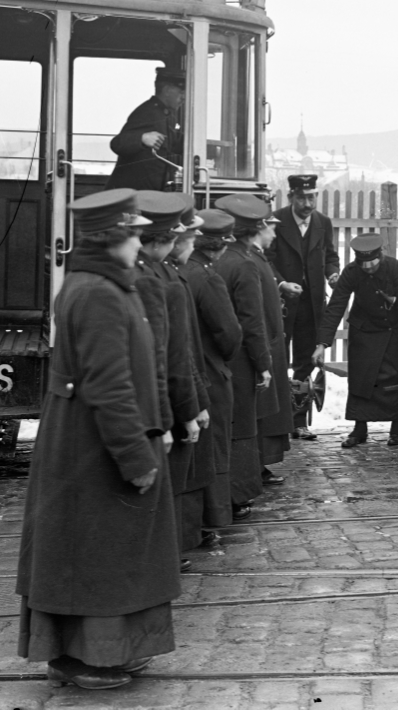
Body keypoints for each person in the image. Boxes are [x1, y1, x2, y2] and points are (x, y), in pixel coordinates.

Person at [16, 188, 179, 691]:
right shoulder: (99, 292)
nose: (139, 242)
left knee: (97, 552)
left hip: (87, 443)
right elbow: (110, 387)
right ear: (113, 239)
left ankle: (98, 652)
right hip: (93, 448)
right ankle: (84, 657)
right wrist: (135, 456)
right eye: (133, 233)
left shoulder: (104, 285)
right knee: (96, 554)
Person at [134, 191, 205, 566]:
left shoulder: (154, 274)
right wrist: (186, 411)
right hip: (156, 405)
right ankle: (161, 555)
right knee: (165, 485)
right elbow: (171, 355)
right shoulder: (159, 280)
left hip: (151, 403)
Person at [314, 233, 398, 447]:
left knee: (395, 380)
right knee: (361, 381)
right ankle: (359, 429)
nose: (369, 267)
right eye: (364, 264)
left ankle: (397, 428)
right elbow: (336, 306)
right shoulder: (352, 272)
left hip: (393, 332)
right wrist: (322, 343)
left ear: (380, 256)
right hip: (363, 333)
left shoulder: (394, 268)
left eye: (372, 263)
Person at [182, 208, 243, 543]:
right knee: (212, 449)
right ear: (219, 246)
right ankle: (211, 518)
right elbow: (230, 333)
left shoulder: (179, 271)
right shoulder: (207, 277)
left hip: (187, 372)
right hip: (208, 374)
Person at [214, 193, 274, 520]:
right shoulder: (246, 264)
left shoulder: (215, 259)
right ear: (255, 230)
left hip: (214, 357)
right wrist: (263, 364)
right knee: (241, 426)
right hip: (238, 360)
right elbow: (253, 321)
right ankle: (238, 495)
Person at [267, 173, 341, 441]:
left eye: (312, 197)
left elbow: (330, 255)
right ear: (291, 198)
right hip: (283, 306)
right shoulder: (276, 221)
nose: (308, 204)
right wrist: (282, 283)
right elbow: (266, 259)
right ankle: (277, 424)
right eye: (302, 198)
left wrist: (333, 273)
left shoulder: (323, 222)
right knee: (277, 361)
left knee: (305, 363)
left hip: (311, 306)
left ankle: (299, 422)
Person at [165, 200, 219, 552]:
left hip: (176, 392)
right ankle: (176, 543)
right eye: (190, 235)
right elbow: (177, 352)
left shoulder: (172, 277)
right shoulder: (171, 282)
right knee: (178, 476)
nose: (195, 241)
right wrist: (192, 406)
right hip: (171, 399)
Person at [251, 197, 294, 481]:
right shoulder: (250, 261)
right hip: (263, 346)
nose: (275, 234)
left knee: (267, 411)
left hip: (270, 344)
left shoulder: (257, 258)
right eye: (272, 229)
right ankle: (255, 466)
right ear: (260, 227)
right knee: (260, 412)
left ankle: (259, 465)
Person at [106, 67, 185, 191]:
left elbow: (174, 142)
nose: (184, 98)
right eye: (181, 92)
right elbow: (117, 143)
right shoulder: (147, 112)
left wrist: (210, 149)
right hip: (130, 195)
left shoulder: (165, 115)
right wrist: (142, 138)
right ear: (167, 90)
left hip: (148, 193)